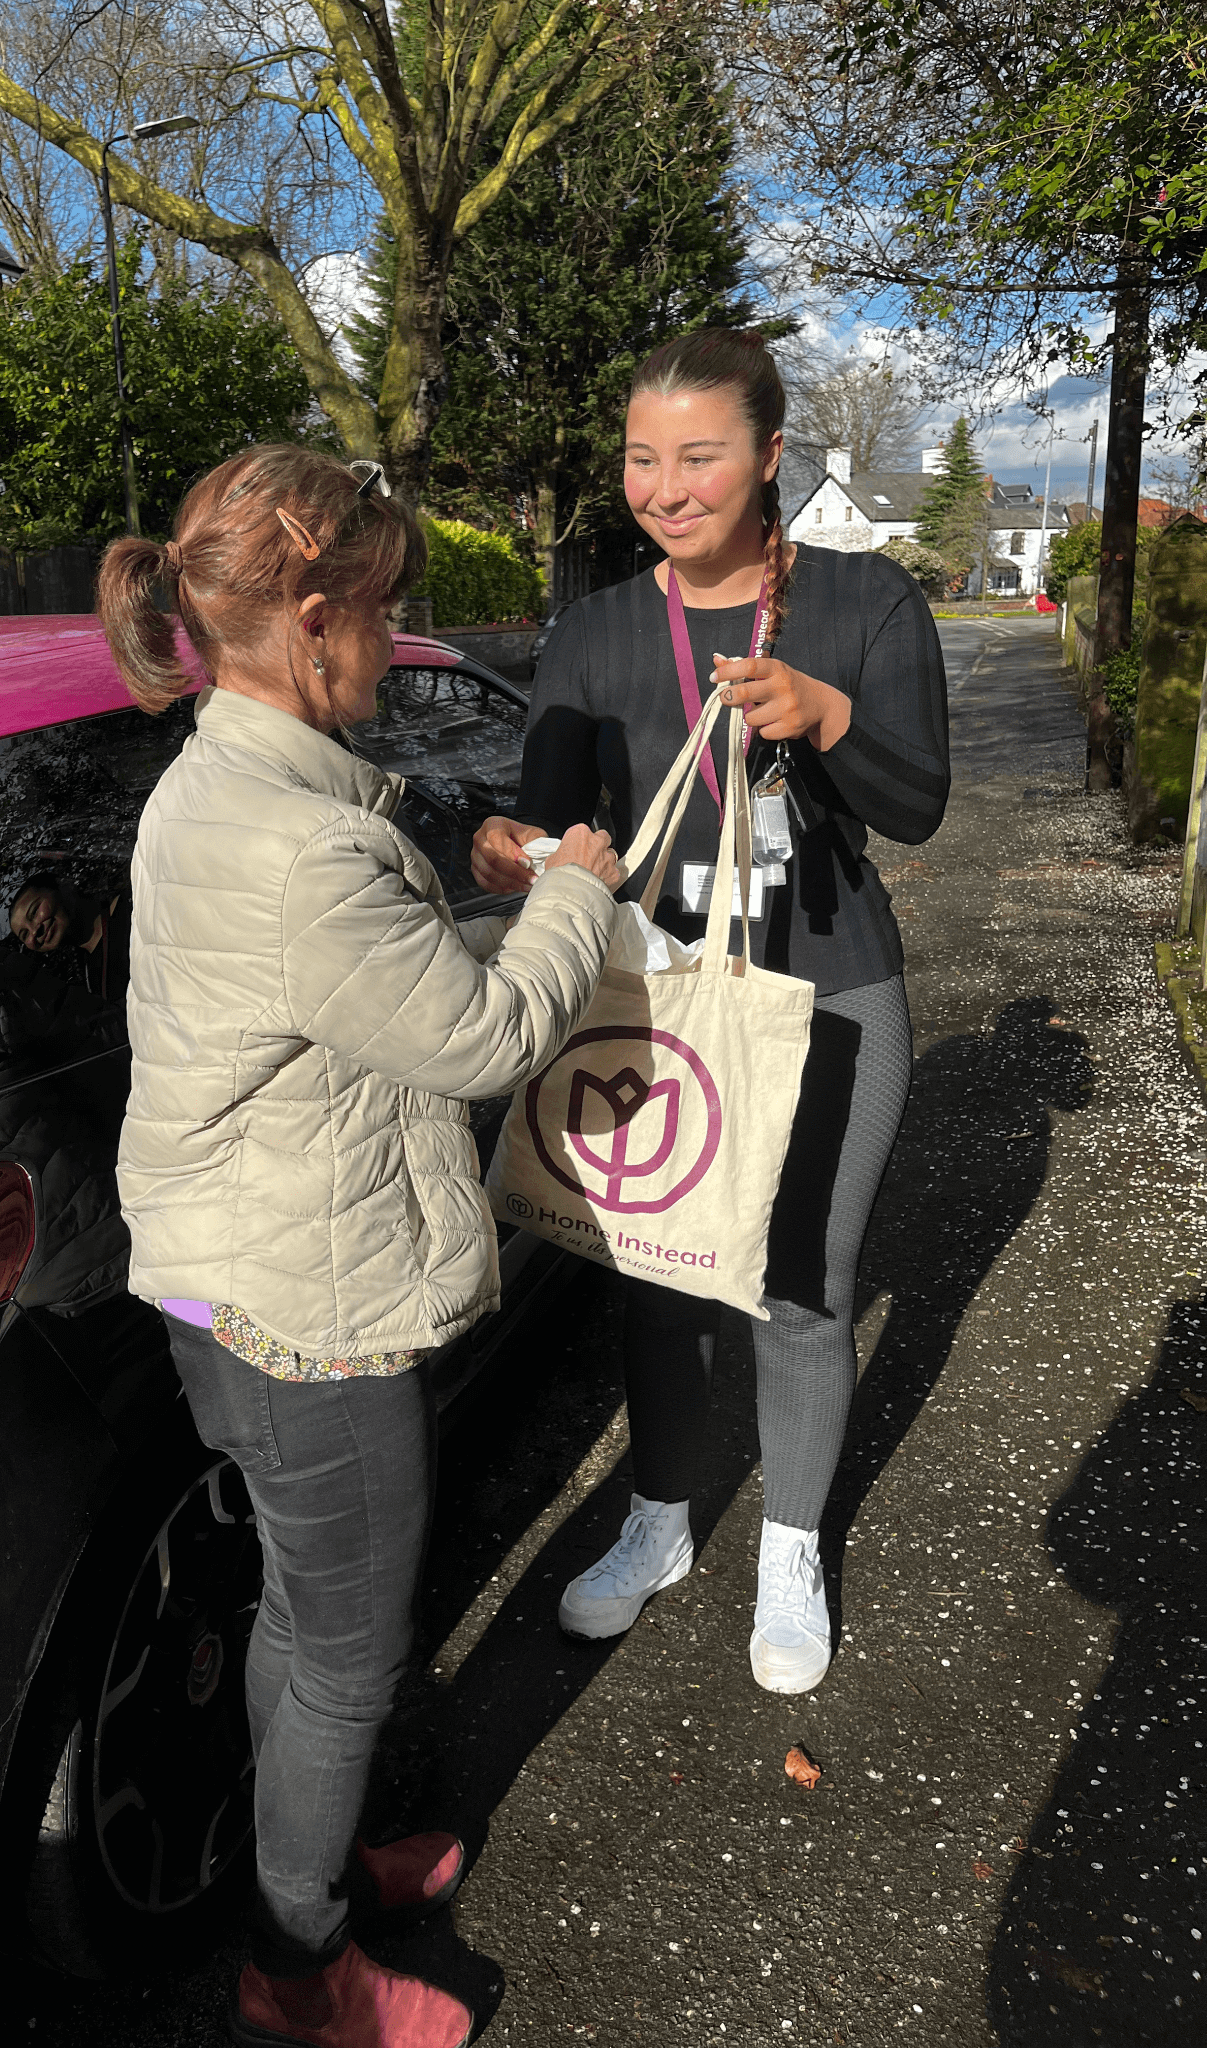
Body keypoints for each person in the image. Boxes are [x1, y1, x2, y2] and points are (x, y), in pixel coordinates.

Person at [96, 444, 621, 2048]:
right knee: (344, 1656)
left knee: (296, 1616)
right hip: (305, 1307)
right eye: (385, 612)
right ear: (311, 615)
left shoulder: (227, 778)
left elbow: (354, 994)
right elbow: (480, 1042)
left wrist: (478, 893)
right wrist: (575, 896)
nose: (398, 642)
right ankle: (295, 1968)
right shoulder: (301, 841)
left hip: (215, 1276)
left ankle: (302, 1866)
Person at [472, 328, 950, 1695]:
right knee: (652, 1274)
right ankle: (663, 1518)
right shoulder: (598, 629)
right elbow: (557, 824)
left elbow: (919, 810)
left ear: (768, 457)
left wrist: (827, 717)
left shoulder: (864, 604)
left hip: (834, 993)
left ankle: (790, 1544)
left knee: (804, 1290)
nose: (665, 487)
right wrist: (510, 851)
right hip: (660, 1000)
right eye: (642, 457)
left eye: (700, 455)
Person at [9, 871, 132, 1001]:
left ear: (63, 885)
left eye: (34, 911)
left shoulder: (133, 905)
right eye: (25, 934)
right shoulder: (91, 985)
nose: (34, 931)